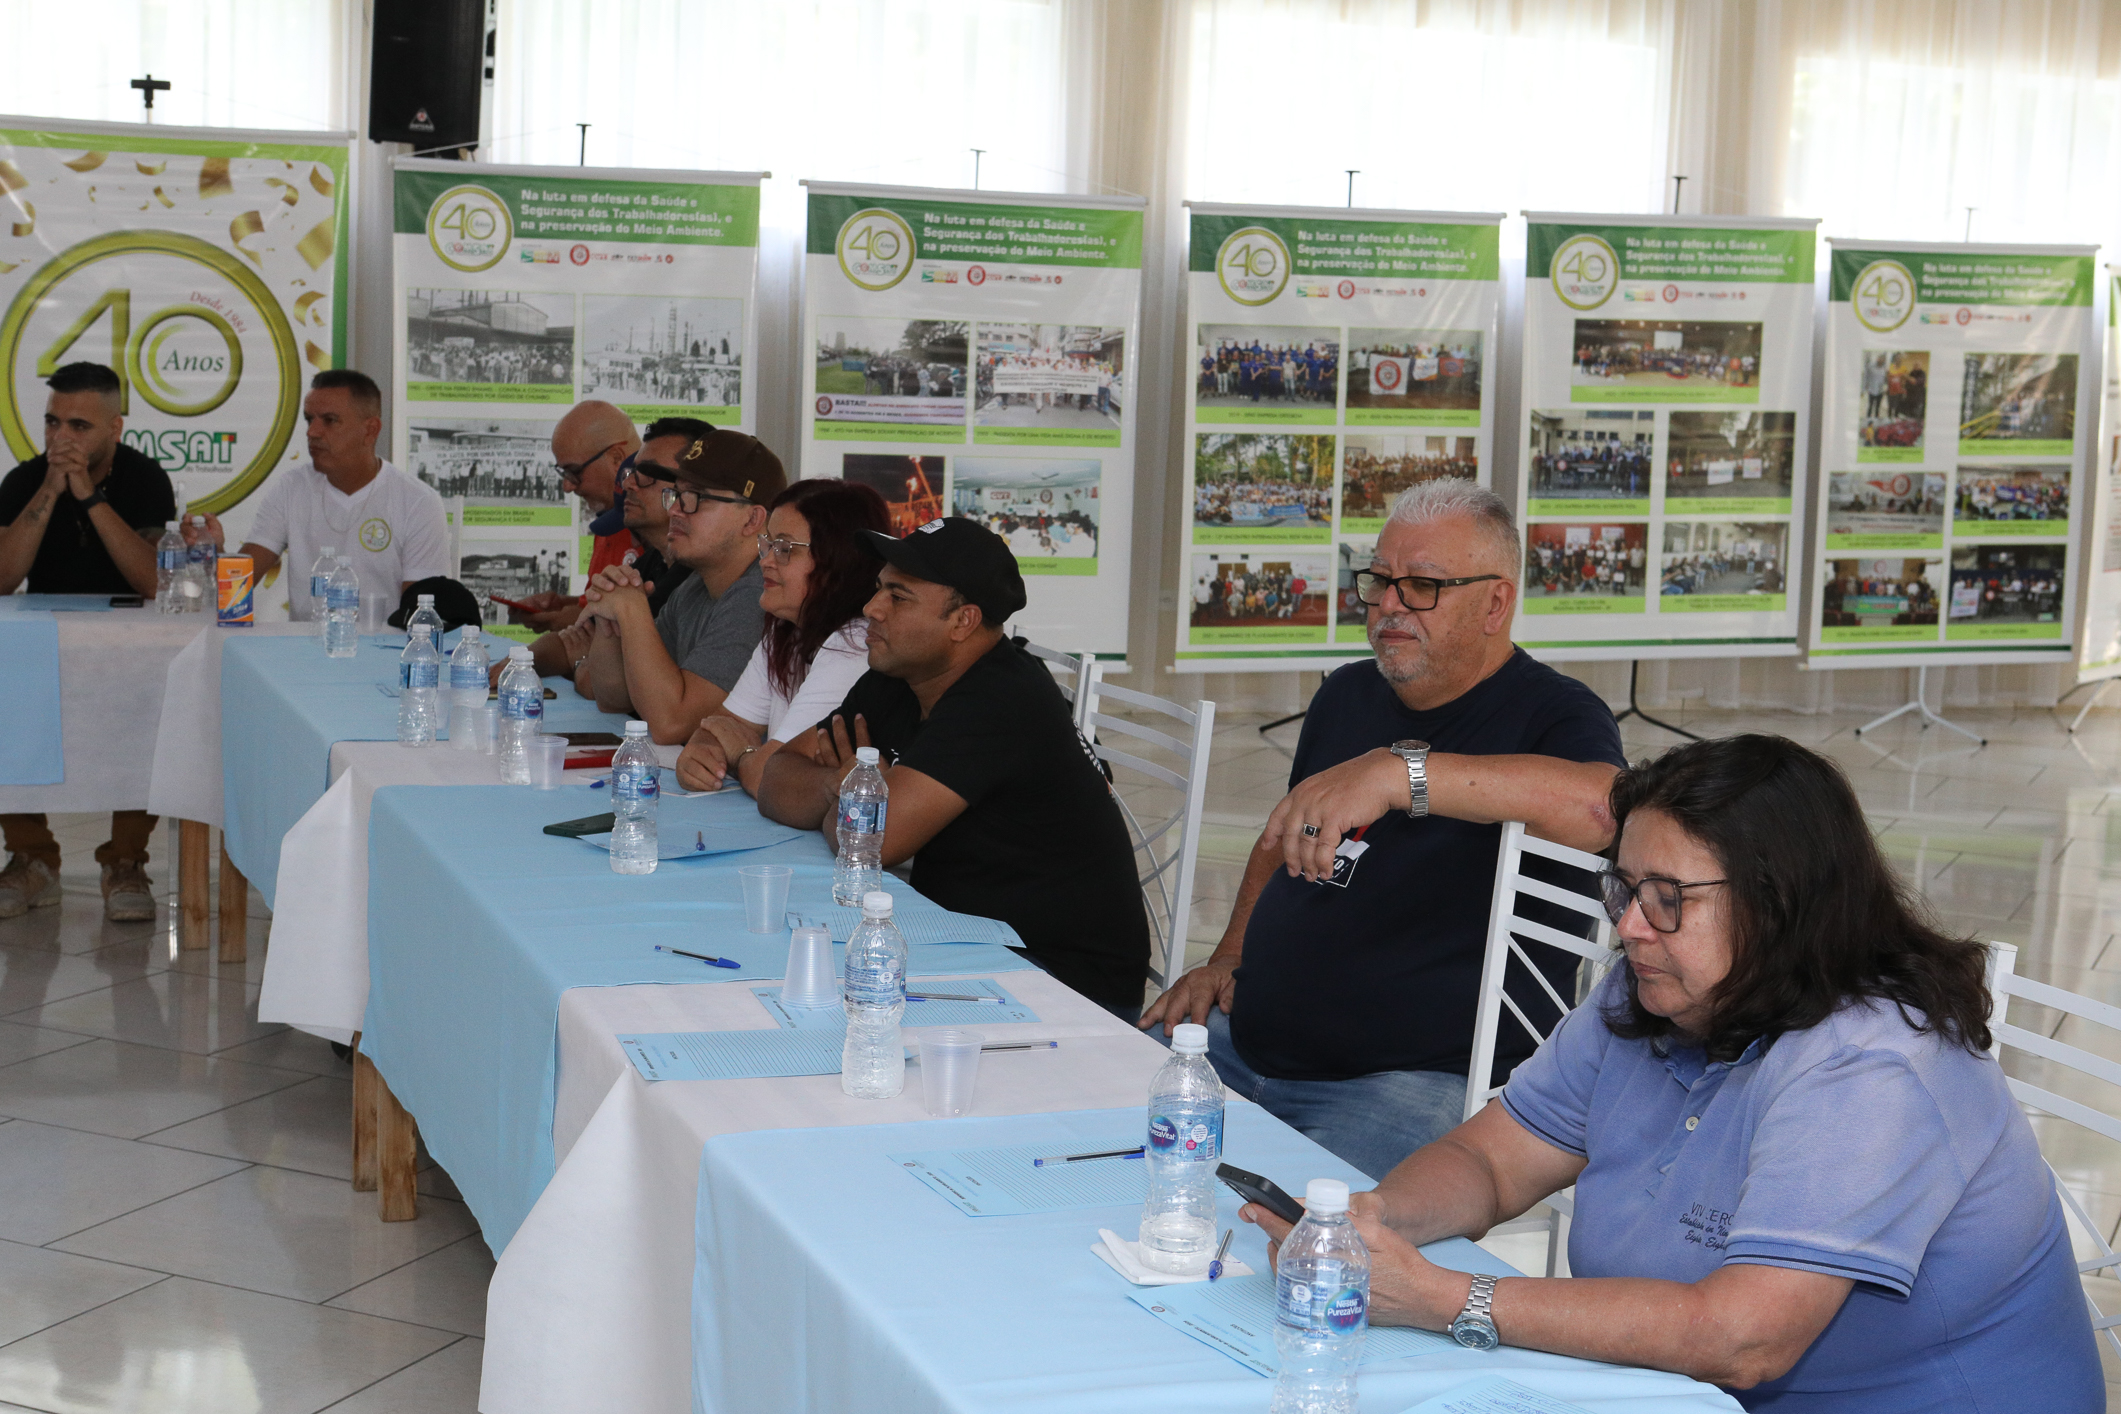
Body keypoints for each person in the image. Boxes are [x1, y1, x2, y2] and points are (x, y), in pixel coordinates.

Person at [1243, 735, 2104, 1412]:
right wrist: (1370, 1221)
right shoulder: (1659, 990)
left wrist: (1443, 1298)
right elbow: (1493, 1160)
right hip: (1674, 1395)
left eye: (1669, 899)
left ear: (1780, 901)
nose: (1632, 929)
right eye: (1623, 891)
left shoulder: (1873, 1060)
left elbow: (1742, 1339)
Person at [1139, 479, 1625, 1180]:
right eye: (1381, 580)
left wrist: (1404, 774)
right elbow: (1281, 839)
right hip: (1242, 1041)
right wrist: (1227, 958)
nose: (1390, 605)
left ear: (1495, 602)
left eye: (1423, 585)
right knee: (1064, 1135)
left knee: (1308, 1251)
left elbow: (1603, 806)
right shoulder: (1349, 692)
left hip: (1409, 1084)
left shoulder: (1553, 714)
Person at [756, 517, 1151, 1018]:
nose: (870, 608)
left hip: (1059, 979)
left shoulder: (1001, 699)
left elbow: (875, 841)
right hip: (961, 935)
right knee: (790, 972)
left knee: (817, 1004)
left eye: (897, 597)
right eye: (878, 589)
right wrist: (845, 786)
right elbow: (775, 778)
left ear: (962, 622)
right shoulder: (900, 672)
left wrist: (848, 799)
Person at [0, 362, 177, 923]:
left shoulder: (145, 478)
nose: (60, 438)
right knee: (5, 709)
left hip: (131, 646)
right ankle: (32, 857)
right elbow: (3, 579)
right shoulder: (26, 479)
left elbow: (152, 581)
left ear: (115, 428)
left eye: (78, 426)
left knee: (155, 712)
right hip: (45, 642)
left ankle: (125, 861)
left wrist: (90, 496)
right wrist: (53, 490)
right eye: (53, 423)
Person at [673, 479, 890, 797]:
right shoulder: (785, 629)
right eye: (768, 543)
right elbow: (722, 723)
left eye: (785, 548)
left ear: (837, 561)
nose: (766, 560)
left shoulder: (855, 644)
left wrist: (743, 755)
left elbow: (772, 778)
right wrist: (703, 751)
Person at [575, 427, 781, 743]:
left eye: (694, 498)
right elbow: (611, 696)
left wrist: (632, 612)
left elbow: (673, 724)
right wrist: (610, 615)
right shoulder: (697, 586)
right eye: (676, 494)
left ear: (752, 520)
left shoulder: (758, 594)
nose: (674, 510)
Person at [187, 370, 449, 618]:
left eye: (330, 420)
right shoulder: (292, 488)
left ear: (370, 430)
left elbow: (420, 616)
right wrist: (215, 551)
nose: (312, 432)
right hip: (303, 655)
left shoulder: (417, 502)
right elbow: (236, 589)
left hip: (383, 658)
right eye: (309, 419)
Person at [509, 400, 643, 633]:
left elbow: (646, 623)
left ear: (616, 458)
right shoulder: (609, 518)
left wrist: (572, 619)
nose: (567, 486)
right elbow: (598, 603)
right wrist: (562, 606)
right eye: (563, 472)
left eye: (574, 472)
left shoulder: (657, 525)